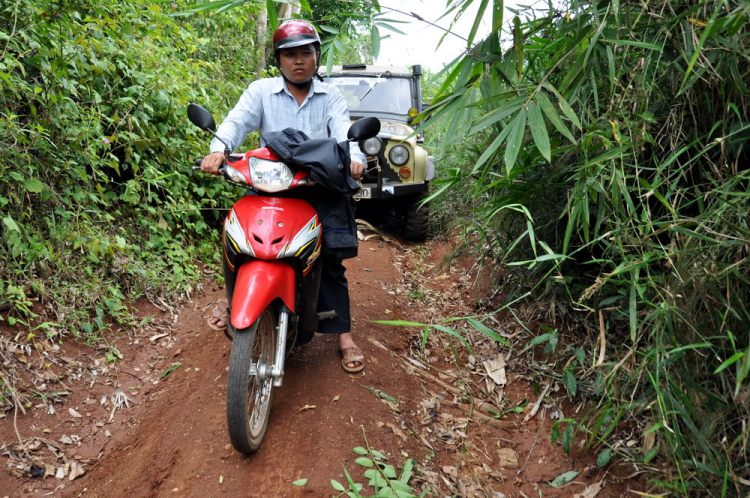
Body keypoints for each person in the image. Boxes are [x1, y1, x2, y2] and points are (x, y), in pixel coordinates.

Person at [200, 19, 365, 373]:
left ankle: (343, 336)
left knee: (330, 256)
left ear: (317, 57)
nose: (298, 60)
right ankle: (233, 301)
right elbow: (236, 122)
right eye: (290, 54)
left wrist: (354, 158)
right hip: (268, 183)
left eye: (306, 52)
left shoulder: (330, 95)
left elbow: (343, 130)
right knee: (239, 241)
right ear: (279, 60)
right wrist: (219, 149)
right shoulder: (261, 91)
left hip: (314, 185)